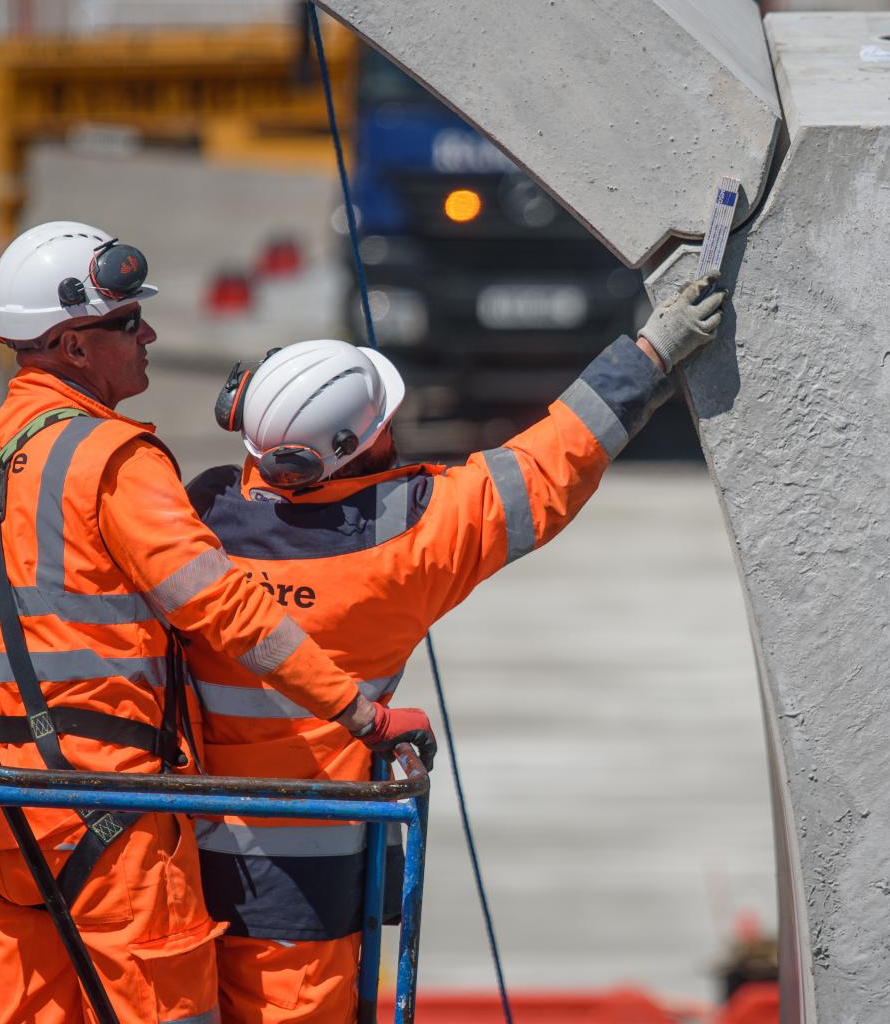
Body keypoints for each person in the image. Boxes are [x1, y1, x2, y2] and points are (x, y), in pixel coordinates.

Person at [0, 220, 437, 1024]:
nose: (148, 334)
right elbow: (224, 609)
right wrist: (358, 711)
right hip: (111, 825)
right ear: (73, 347)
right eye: (127, 323)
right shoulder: (113, 460)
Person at [182, 277, 727, 1022]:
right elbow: (549, 467)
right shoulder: (409, 544)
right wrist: (653, 353)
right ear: (360, 442)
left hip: (169, 850)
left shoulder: (191, 524)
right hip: (305, 877)